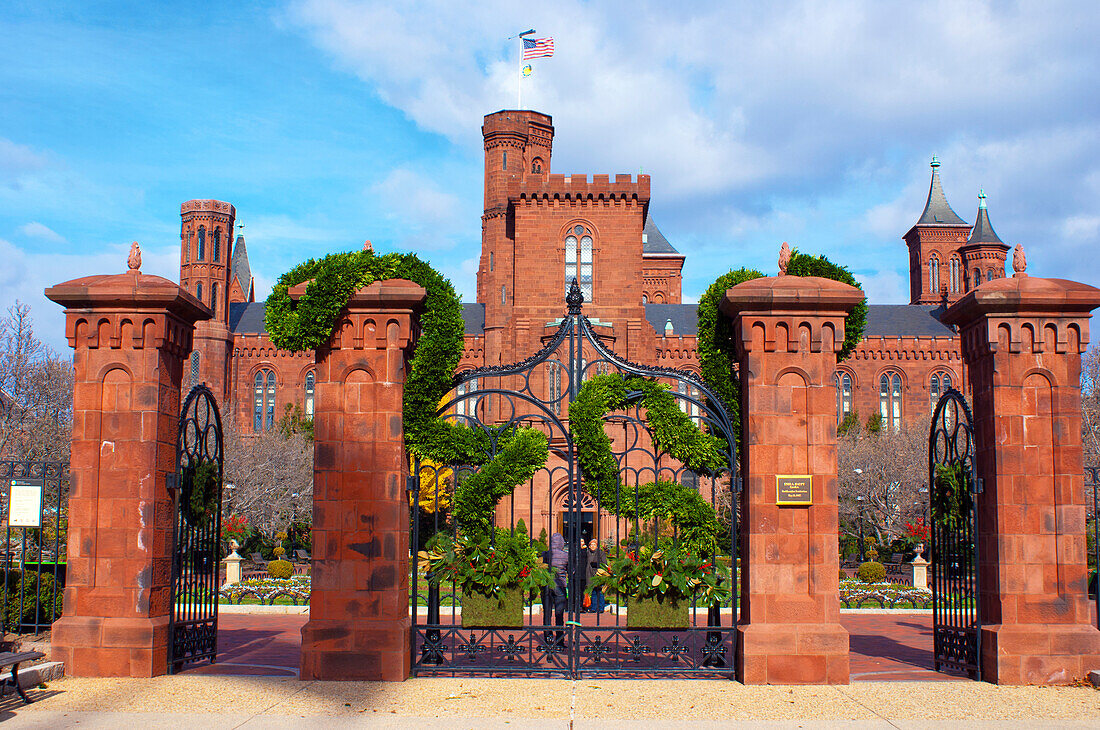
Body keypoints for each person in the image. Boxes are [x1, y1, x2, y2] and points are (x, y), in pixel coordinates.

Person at [541, 532, 568, 646]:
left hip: (547, 585)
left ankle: (548, 638)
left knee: (547, 613)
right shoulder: (565, 555)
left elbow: (543, 568)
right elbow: (570, 569)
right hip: (560, 585)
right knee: (559, 614)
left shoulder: (546, 554)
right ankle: (560, 640)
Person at [585, 538, 607, 613]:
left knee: (600, 591)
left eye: (594, 544)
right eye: (591, 545)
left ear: (597, 546)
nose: (593, 546)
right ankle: (593, 608)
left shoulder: (600, 553)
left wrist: (597, 564)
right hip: (589, 573)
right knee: (593, 591)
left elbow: (604, 563)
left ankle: (601, 608)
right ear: (589, 546)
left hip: (598, 574)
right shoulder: (587, 553)